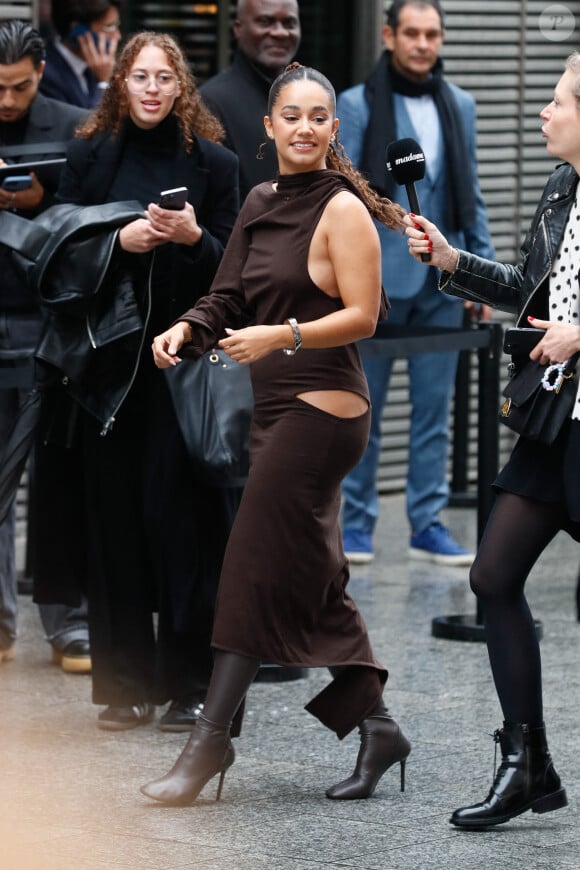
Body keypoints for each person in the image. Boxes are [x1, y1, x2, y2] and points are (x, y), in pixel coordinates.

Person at [142, 62, 411, 807]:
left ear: (333, 128)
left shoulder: (343, 209)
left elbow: (365, 313)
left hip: (324, 413)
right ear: (268, 127)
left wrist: (282, 335)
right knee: (313, 579)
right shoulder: (260, 200)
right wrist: (188, 327)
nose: (303, 128)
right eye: (290, 116)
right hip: (273, 408)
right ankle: (379, 727)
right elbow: (228, 294)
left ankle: (210, 743)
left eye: (317, 117)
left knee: (250, 564)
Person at [403, 52, 580, 829]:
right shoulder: (560, 190)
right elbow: (529, 292)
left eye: (558, 99)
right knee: (492, 575)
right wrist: (450, 261)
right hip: (554, 417)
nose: (543, 111)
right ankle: (526, 764)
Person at [48, 31, 240, 731]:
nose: (153, 88)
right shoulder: (89, 157)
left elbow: (234, 271)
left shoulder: (214, 165)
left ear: (180, 87)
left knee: (184, 528)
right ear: (120, 85)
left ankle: (191, 683)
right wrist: (114, 242)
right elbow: (57, 251)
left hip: (183, 369)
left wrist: (192, 239)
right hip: (109, 373)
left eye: (164, 78)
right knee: (115, 526)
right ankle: (124, 685)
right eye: (140, 77)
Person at [337, 0, 495, 566]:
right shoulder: (355, 106)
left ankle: (426, 524)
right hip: (376, 283)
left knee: (433, 413)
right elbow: (345, 196)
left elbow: (469, 196)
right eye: (412, 33)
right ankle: (356, 524)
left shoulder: (461, 105)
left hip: (443, 284)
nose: (423, 44)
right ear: (388, 35)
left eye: (432, 34)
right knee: (364, 409)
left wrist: (480, 281)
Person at [0, 19, 91, 672]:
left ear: (40, 74)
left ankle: (70, 623)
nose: (7, 101)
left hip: (52, 318)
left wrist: (44, 198)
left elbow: (94, 209)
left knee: (60, 480)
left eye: (20, 88)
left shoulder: (73, 122)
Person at [200, 0, 301, 201]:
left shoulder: (307, 97)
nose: (280, 32)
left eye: (289, 23)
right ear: (238, 29)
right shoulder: (210, 103)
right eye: (265, 22)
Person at [39, 0, 121, 109]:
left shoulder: (98, 65)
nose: (117, 36)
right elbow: (87, 124)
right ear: (78, 31)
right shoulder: (46, 75)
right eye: (109, 27)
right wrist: (104, 84)